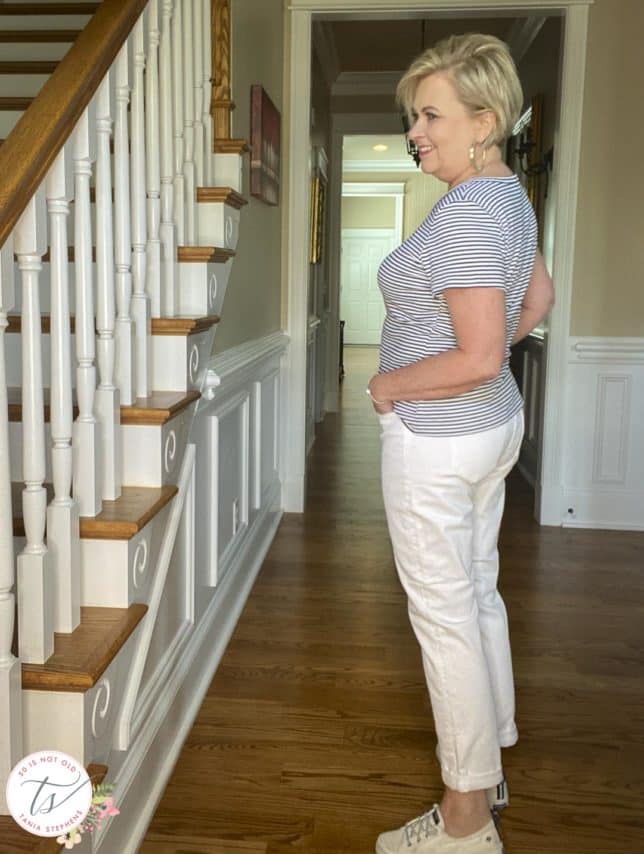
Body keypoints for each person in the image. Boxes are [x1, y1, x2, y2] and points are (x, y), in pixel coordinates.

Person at [366, 33, 555, 854]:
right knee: (476, 594)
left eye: (431, 114)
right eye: (414, 115)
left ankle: (466, 818)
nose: (416, 130)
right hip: (488, 430)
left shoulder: (472, 207)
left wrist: (388, 387)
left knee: (445, 617)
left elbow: (478, 355)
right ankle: (492, 754)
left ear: (484, 120)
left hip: (439, 439)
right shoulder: (507, 194)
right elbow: (538, 297)